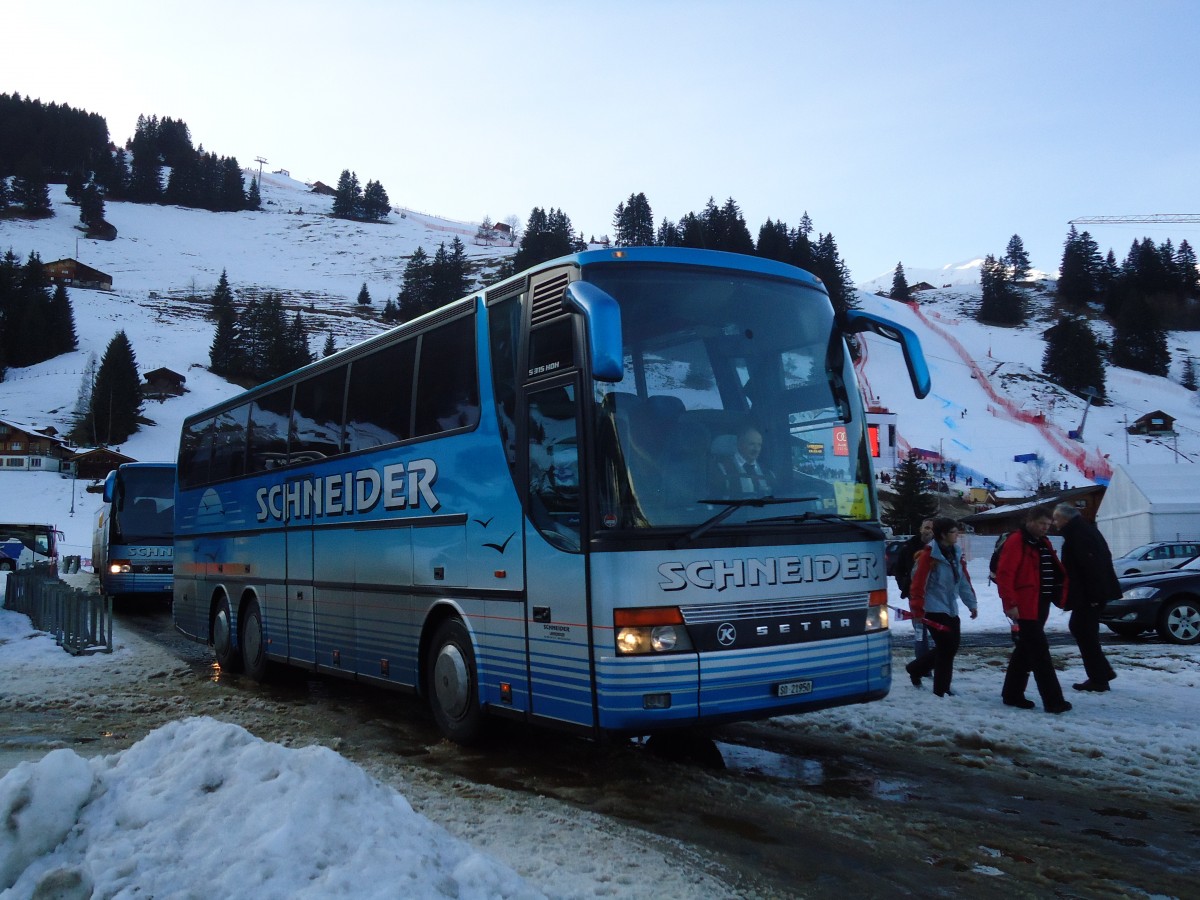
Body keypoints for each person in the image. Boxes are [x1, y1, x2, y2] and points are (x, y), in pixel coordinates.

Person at [995, 506, 1072, 714]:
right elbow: (1005, 574)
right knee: (1040, 653)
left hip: (1040, 603)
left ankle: (1012, 694)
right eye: (1041, 524)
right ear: (1030, 521)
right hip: (1025, 606)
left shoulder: (1040, 542)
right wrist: (1010, 604)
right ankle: (1054, 701)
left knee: (1024, 652)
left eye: (1048, 525)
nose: (1045, 528)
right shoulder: (1017, 541)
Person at [904, 517, 978, 697]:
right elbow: (918, 584)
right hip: (932, 609)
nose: (957, 535)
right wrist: (917, 609)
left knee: (951, 647)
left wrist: (971, 604)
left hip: (950, 608)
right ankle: (941, 689)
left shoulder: (955, 553)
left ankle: (915, 668)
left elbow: (962, 582)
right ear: (943, 535)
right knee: (946, 648)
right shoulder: (929, 556)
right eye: (954, 532)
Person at [1053, 503, 1119, 692]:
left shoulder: (1079, 535)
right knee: (1083, 630)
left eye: (1056, 519)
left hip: (1090, 594)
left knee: (1083, 631)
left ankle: (1099, 679)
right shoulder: (1083, 531)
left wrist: (1094, 596)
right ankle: (1103, 672)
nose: (1054, 523)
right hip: (1090, 593)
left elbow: (1091, 567)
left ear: (1065, 519)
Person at [894, 519, 935, 658]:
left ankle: (934, 663)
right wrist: (904, 586)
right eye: (927, 527)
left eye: (932, 528)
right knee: (920, 632)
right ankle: (922, 665)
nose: (929, 531)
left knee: (937, 632)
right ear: (921, 529)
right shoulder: (908, 546)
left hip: (936, 595)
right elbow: (898, 569)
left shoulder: (939, 547)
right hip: (915, 595)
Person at [712, 425, 775, 497]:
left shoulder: (768, 473)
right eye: (751, 444)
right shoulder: (721, 470)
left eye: (759, 445)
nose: (756, 449)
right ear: (740, 444)